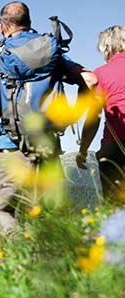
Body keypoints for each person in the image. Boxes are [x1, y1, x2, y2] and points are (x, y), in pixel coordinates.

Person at [0, 1, 98, 233]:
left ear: (3, 25)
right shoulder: (50, 51)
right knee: (50, 216)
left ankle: (22, 247)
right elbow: (90, 80)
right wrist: (72, 115)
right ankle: (54, 263)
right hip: (47, 144)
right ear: (29, 23)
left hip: (7, 145)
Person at [77, 25, 125, 202]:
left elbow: (93, 119)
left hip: (115, 149)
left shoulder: (100, 74)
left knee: (117, 209)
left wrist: (83, 150)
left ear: (106, 47)